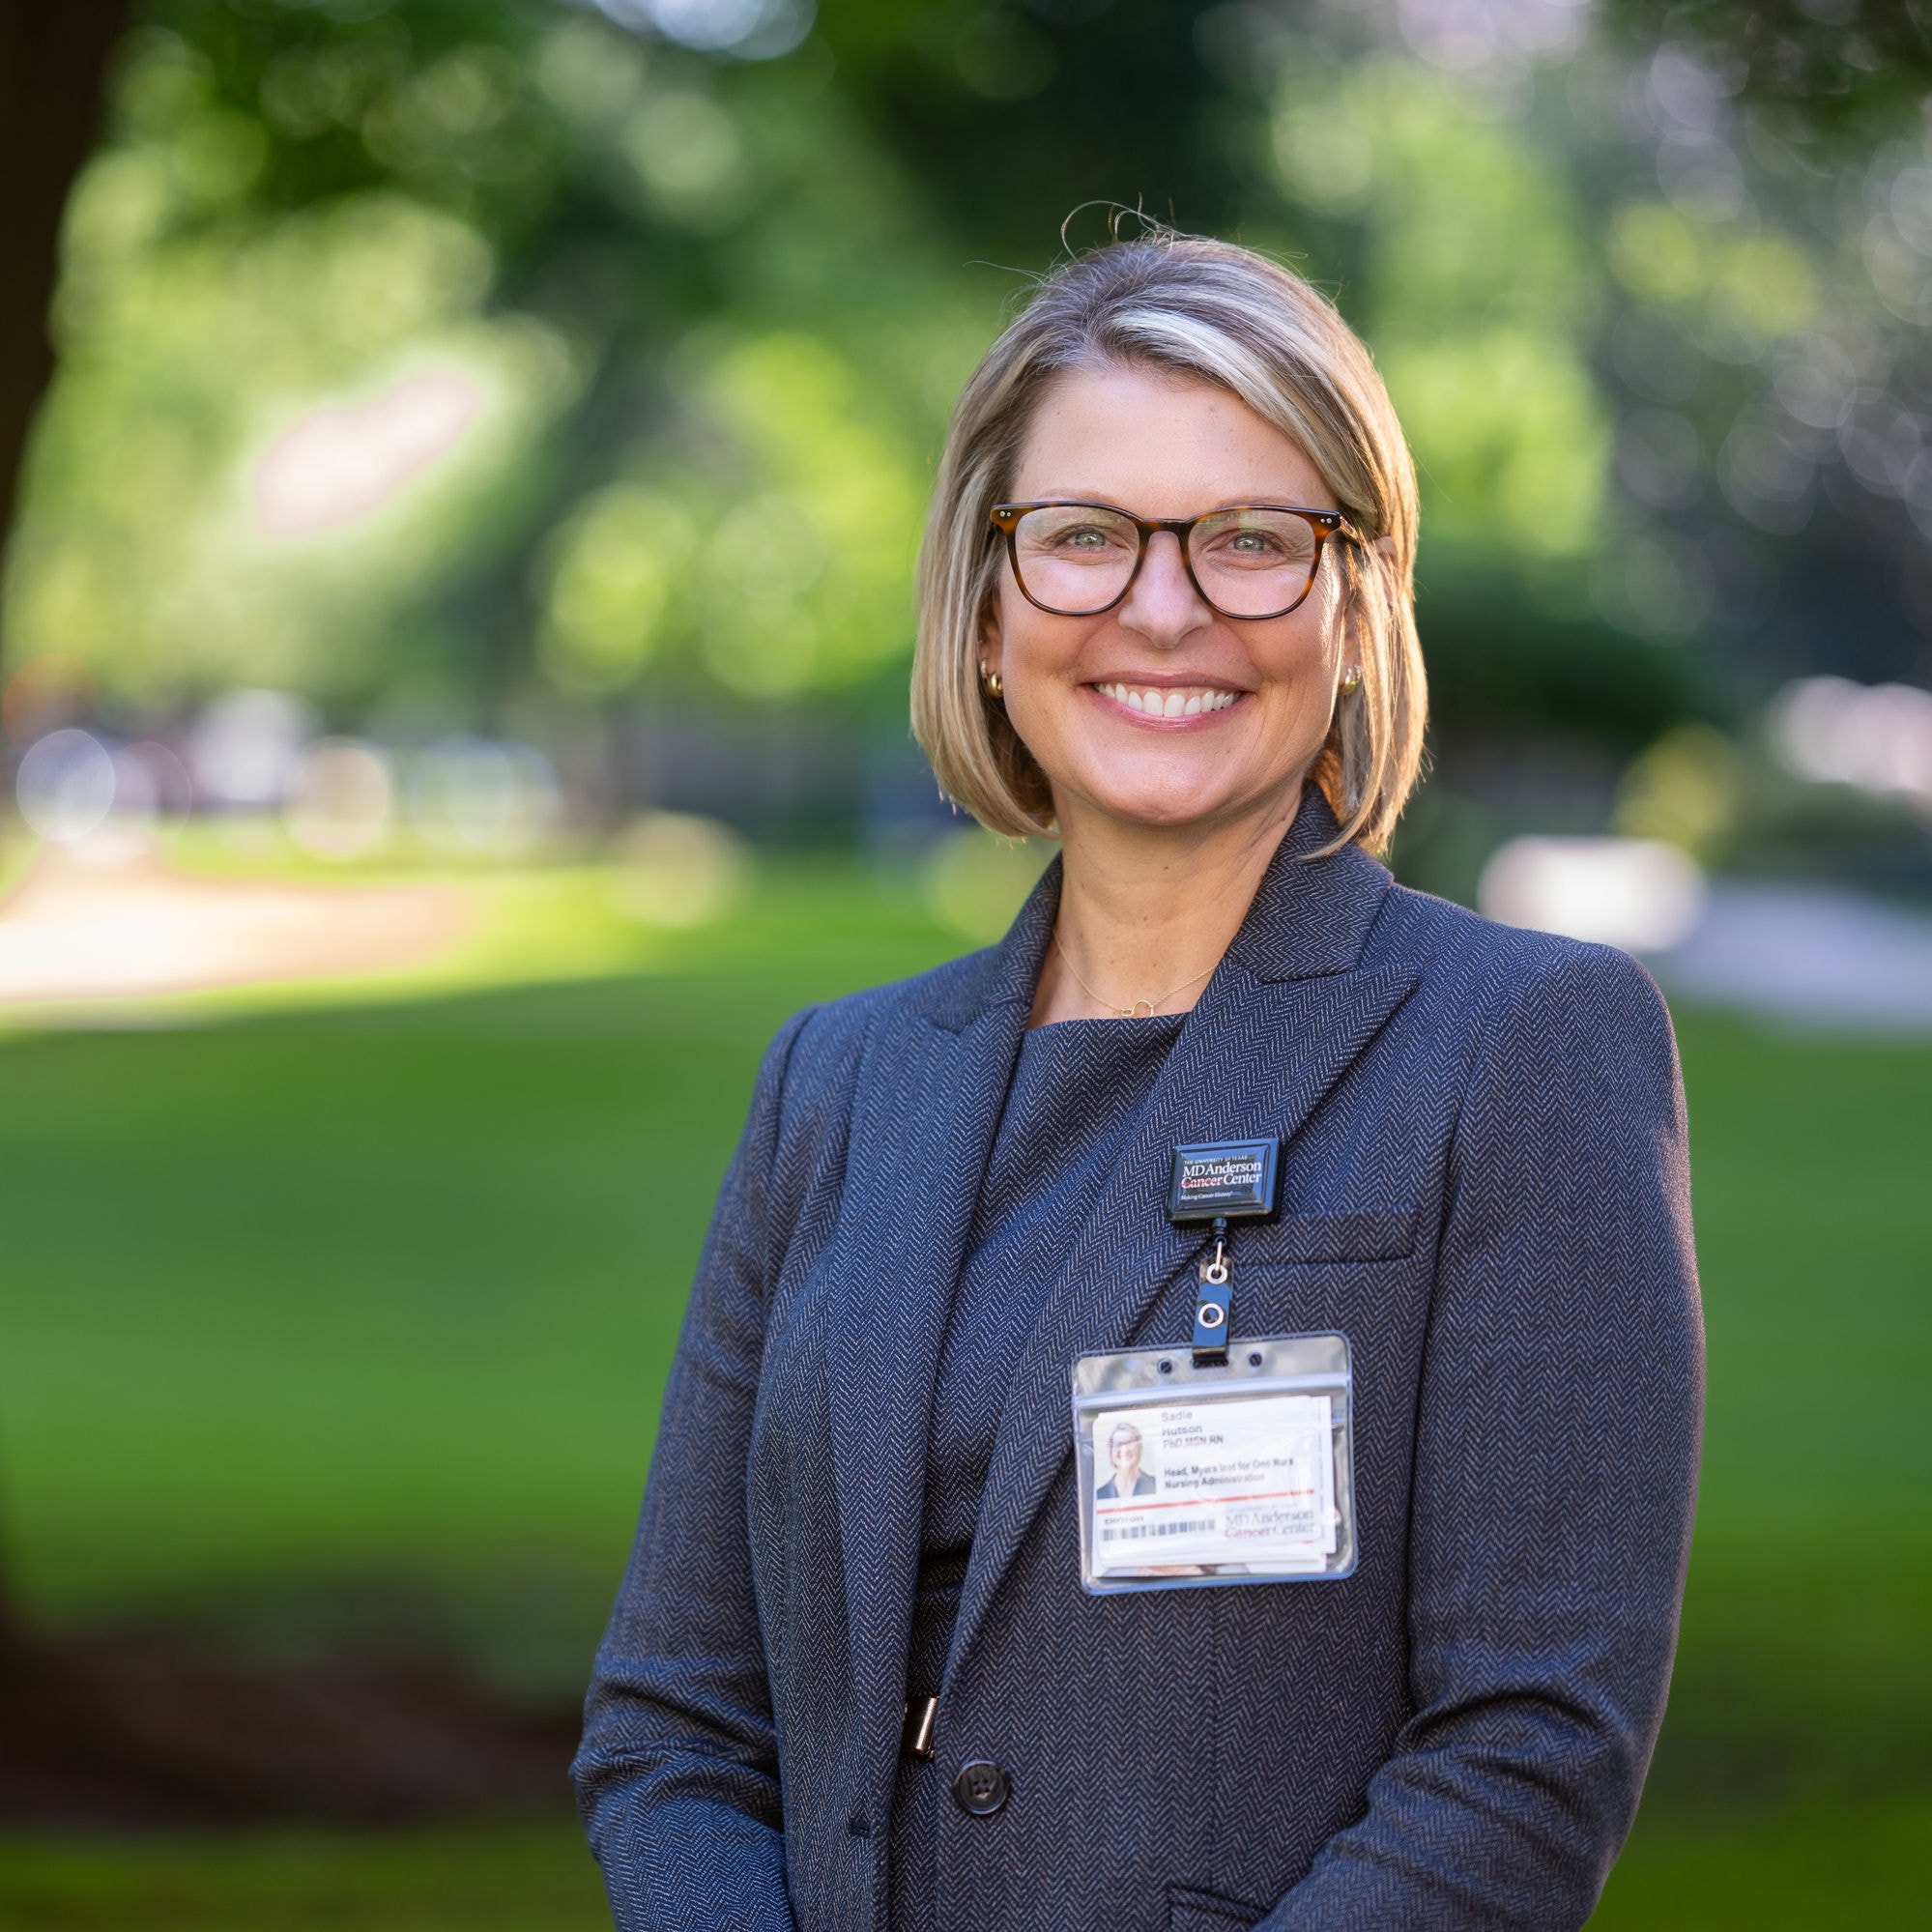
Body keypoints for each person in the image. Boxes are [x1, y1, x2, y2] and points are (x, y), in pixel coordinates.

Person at [573, 229, 1702, 1932]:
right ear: (981, 607)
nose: (1158, 607)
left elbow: (1524, 1751)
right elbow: (674, 1716)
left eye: (1248, 538)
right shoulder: (837, 1080)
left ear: (1349, 605)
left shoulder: (1522, 1044)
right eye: (1084, 536)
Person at [1094, 1422, 1155, 1500]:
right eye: (1117, 1444)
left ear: (1139, 1448)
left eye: (1129, 1443)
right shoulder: (1099, 1496)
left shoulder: (1156, 1486)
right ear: (1111, 1452)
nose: (1124, 1450)